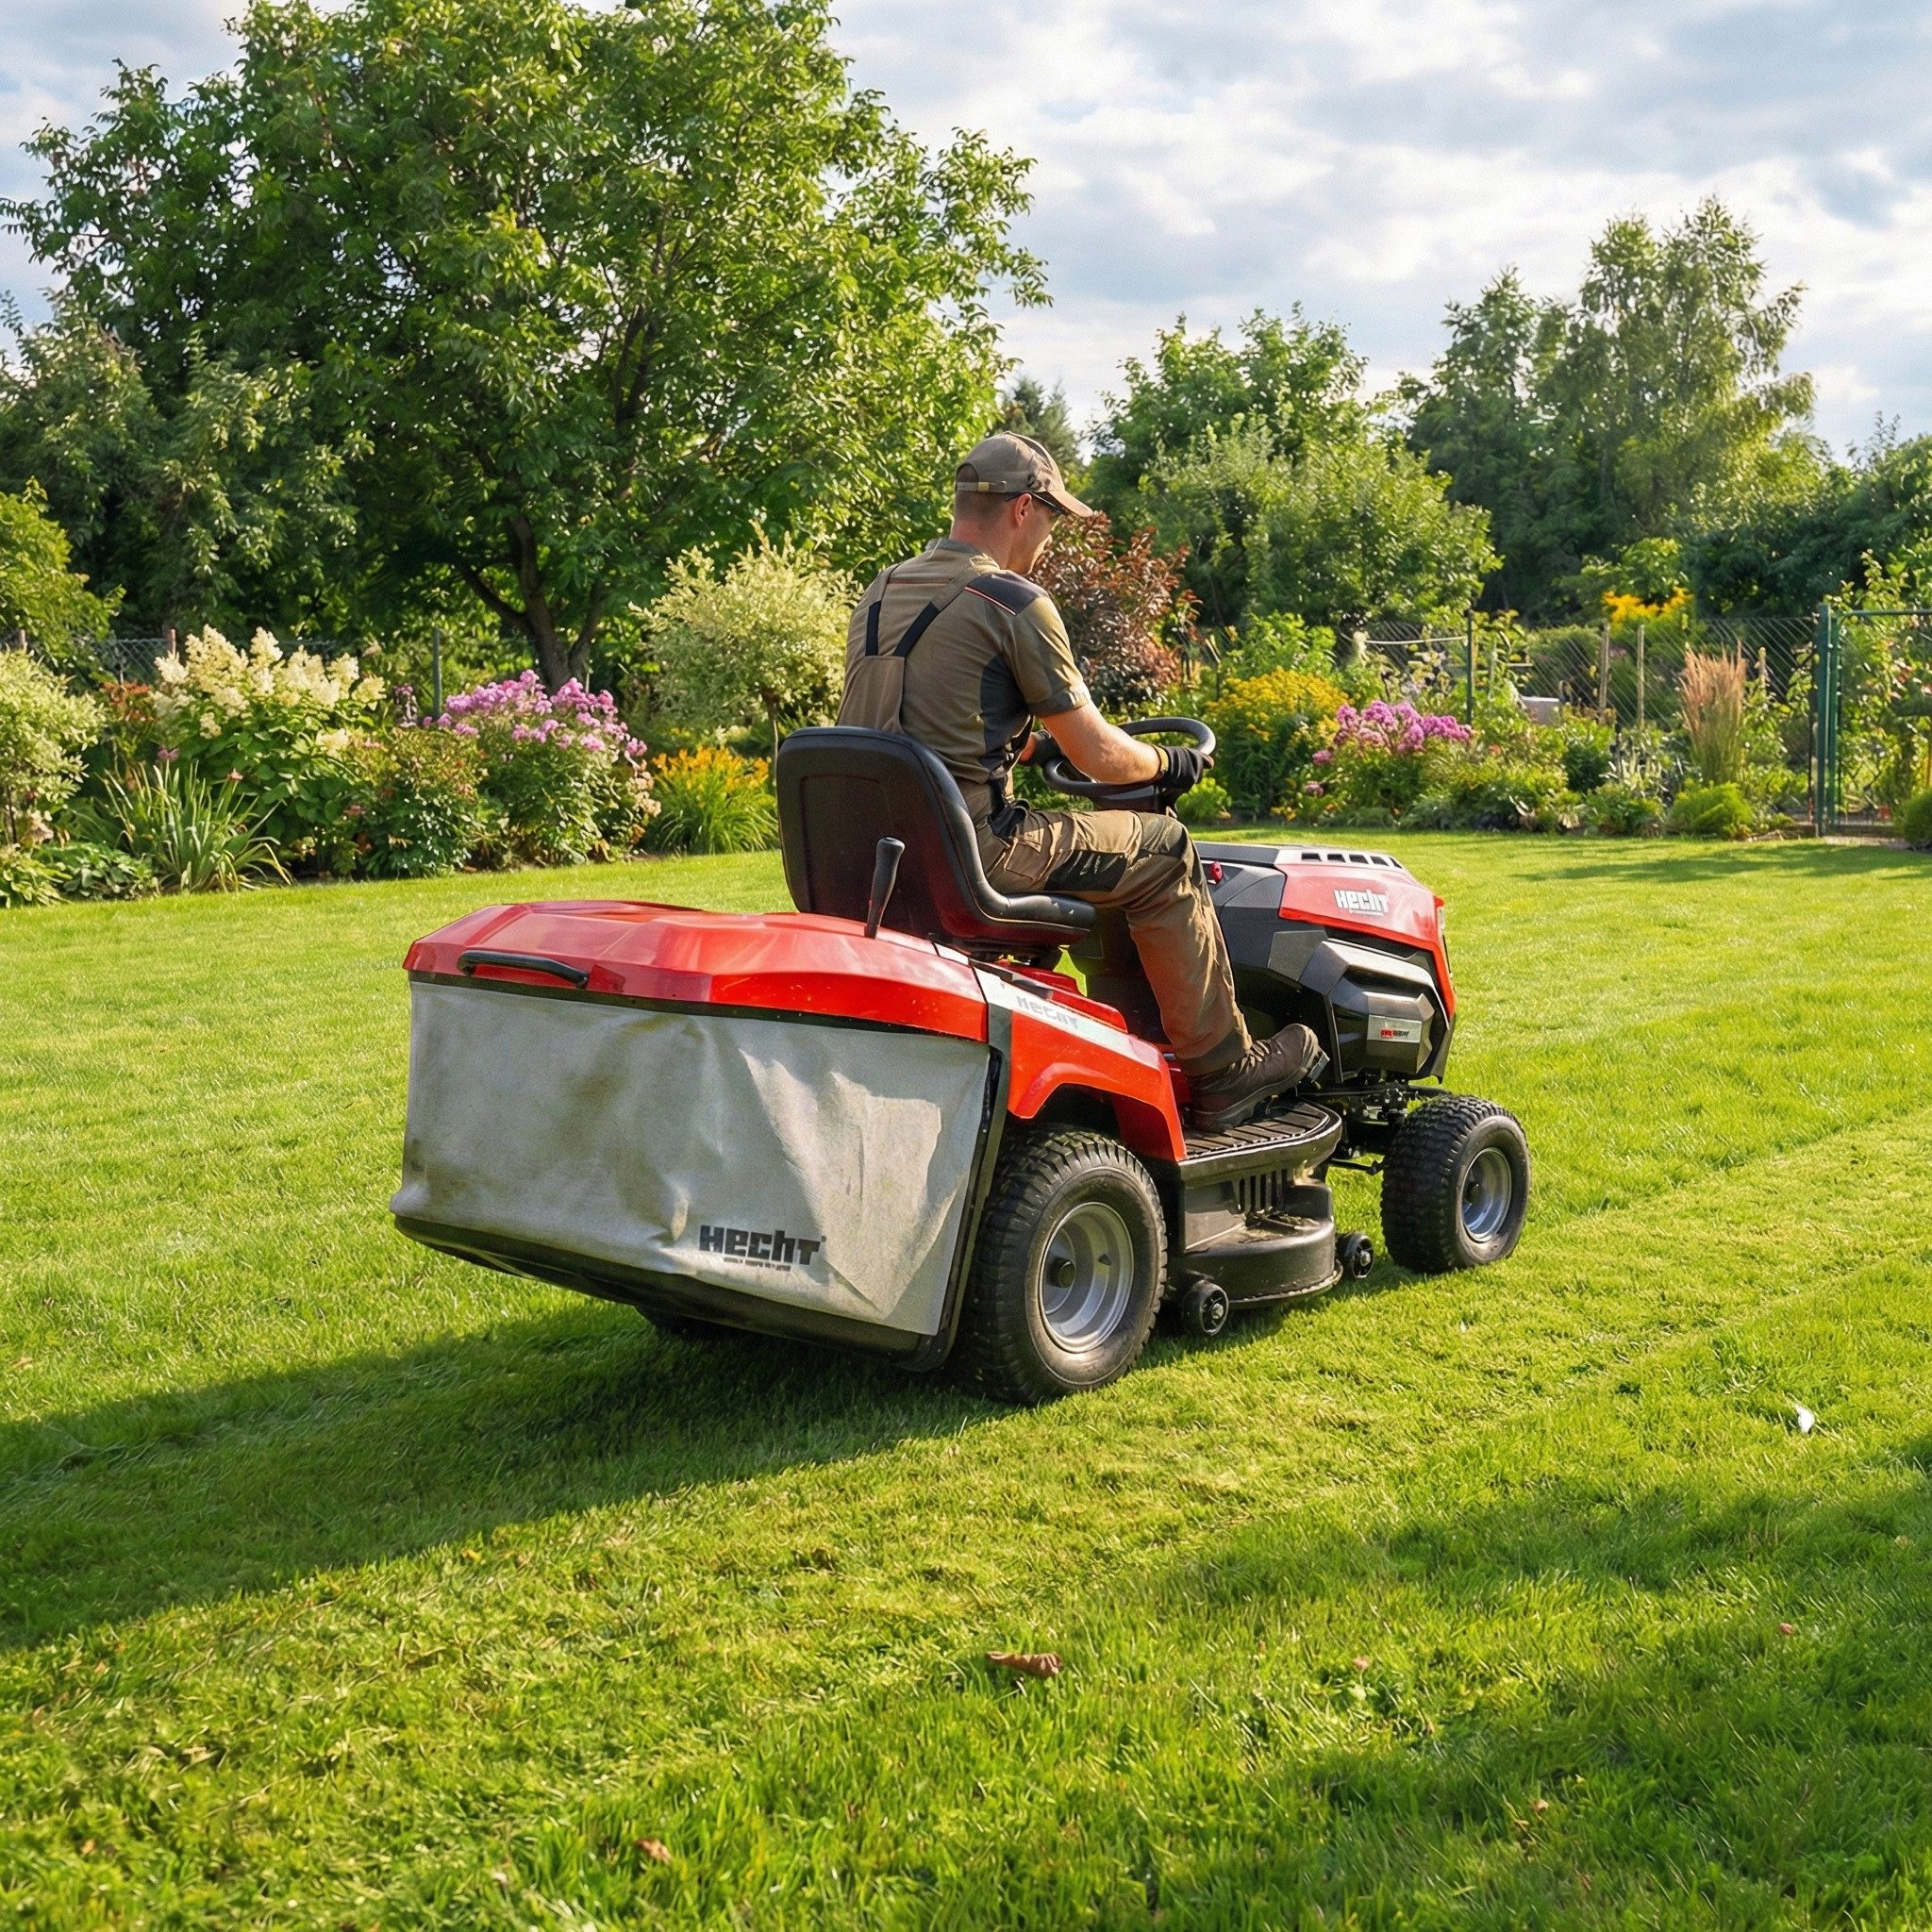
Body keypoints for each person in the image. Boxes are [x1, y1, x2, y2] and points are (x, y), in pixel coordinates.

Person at [838, 431, 1323, 1133]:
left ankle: (1128, 1046)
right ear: (1021, 509)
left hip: (878, 860)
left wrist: (1024, 747)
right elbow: (1099, 754)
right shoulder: (1009, 600)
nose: (1051, 538)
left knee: (1113, 847)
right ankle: (1225, 1072)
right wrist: (1171, 763)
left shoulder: (879, 594)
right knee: (1162, 847)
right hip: (973, 854)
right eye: (1053, 519)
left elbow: (909, 726)